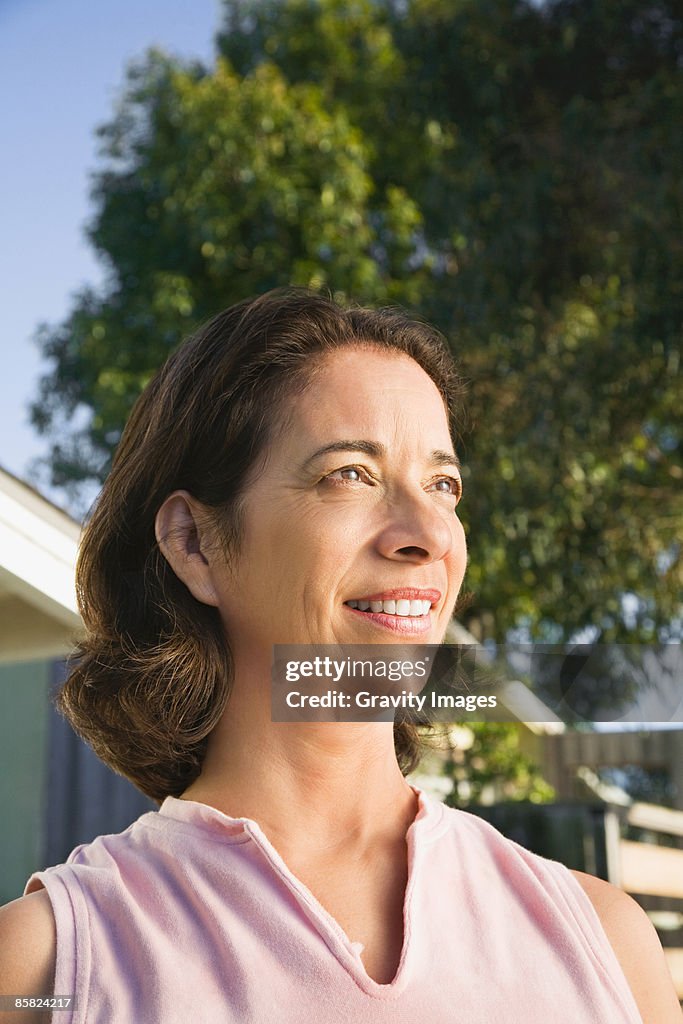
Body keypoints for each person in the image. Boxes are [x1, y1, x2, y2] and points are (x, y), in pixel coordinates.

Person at [0, 290, 679, 1023]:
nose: (425, 533)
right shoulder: (45, 969)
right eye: (348, 473)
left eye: (442, 485)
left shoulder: (606, 944)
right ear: (194, 544)